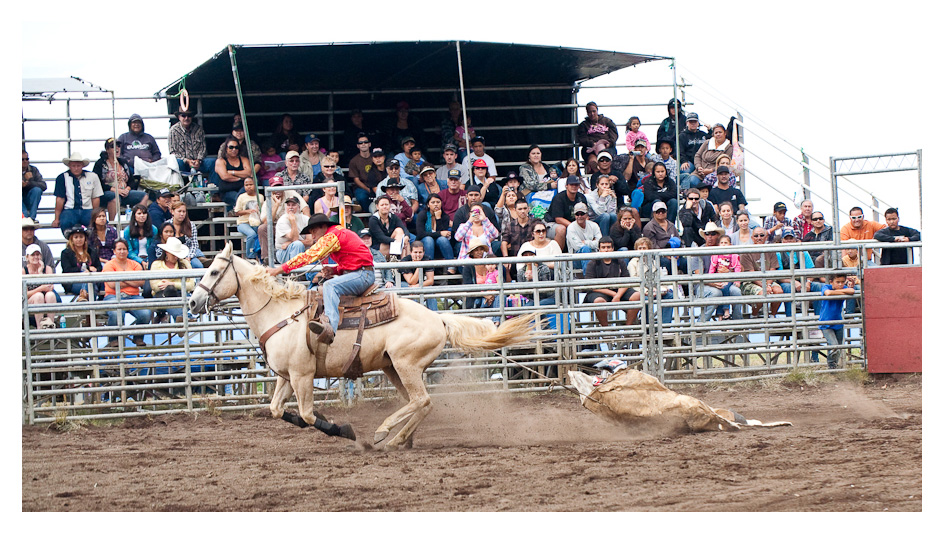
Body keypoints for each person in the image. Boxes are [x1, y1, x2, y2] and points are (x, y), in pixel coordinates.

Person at [268, 213, 376, 344]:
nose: (312, 236)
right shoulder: (339, 233)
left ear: (323, 227)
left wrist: (278, 270)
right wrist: (334, 270)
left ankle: (329, 327)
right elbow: (354, 259)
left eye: (314, 231)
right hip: (361, 273)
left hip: (362, 275)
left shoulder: (332, 236)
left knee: (329, 286)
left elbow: (307, 256)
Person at [690, 222, 743, 322]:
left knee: (736, 292)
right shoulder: (698, 252)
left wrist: (729, 271)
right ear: (704, 236)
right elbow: (698, 276)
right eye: (707, 234)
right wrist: (713, 283)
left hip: (725, 282)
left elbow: (741, 268)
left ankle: (737, 323)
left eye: (713, 234)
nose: (710, 237)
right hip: (704, 284)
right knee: (716, 293)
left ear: (718, 236)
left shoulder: (728, 250)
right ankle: (701, 324)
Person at [101, 239, 150, 347]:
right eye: (119, 249)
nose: (122, 251)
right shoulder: (109, 265)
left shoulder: (135, 264)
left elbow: (141, 282)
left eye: (124, 249)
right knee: (116, 313)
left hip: (134, 297)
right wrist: (131, 279)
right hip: (112, 296)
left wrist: (121, 278)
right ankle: (113, 340)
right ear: (114, 251)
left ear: (128, 251)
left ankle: (138, 338)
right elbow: (112, 284)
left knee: (146, 313)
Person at [583, 237, 635, 327]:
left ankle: (628, 328)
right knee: (598, 301)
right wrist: (614, 294)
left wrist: (618, 295)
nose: (606, 250)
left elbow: (627, 280)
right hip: (599, 292)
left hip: (618, 291)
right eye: (603, 247)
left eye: (608, 247)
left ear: (613, 248)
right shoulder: (592, 263)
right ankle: (607, 330)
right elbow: (591, 285)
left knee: (637, 296)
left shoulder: (620, 261)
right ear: (599, 249)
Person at [775, 228, 822, 317]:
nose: (789, 241)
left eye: (791, 238)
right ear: (782, 240)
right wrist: (794, 282)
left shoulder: (803, 251)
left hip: (803, 280)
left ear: (795, 240)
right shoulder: (778, 253)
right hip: (787, 282)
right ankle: (790, 318)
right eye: (786, 239)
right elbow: (779, 276)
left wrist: (808, 282)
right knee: (788, 288)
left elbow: (811, 270)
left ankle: (818, 318)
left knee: (818, 286)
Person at [94, 138, 146, 220]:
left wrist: (127, 189)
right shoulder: (100, 164)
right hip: (109, 193)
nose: (117, 148)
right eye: (113, 146)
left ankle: (139, 220)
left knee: (144, 196)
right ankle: (112, 224)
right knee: (114, 197)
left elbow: (131, 181)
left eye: (118, 146)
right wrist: (115, 190)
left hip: (125, 192)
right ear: (107, 149)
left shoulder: (123, 162)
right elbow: (97, 183)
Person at [52, 152, 103, 233]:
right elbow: (59, 199)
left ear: (82, 166)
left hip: (88, 210)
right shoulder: (62, 177)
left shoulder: (92, 176)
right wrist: (56, 218)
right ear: (69, 166)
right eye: (73, 166)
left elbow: (96, 198)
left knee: (97, 225)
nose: (76, 168)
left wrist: (95, 214)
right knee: (66, 223)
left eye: (78, 166)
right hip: (70, 210)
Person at [628, 237, 675, 324]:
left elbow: (661, 278)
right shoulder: (632, 263)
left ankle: (665, 326)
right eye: (640, 248)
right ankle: (648, 327)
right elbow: (634, 283)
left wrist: (662, 289)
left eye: (644, 248)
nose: (642, 250)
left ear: (649, 249)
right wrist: (646, 291)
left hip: (655, 290)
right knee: (646, 299)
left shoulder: (654, 262)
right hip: (641, 291)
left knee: (669, 296)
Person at [739, 228, 783, 317]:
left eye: (762, 235)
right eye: (756, 236)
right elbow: (751, 275)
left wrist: (768, 285)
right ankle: (755, 315)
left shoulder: (771, 250)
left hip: (769, 281)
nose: (759, 238)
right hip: (750, 282)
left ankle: (772, 316)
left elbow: (773, 270)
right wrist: (764, 286)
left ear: (766, 237)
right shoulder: (746, 252)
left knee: (779, 292)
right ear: (752, 238)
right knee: (762, 293)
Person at [150, 237, 195, 323]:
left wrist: (171, 283)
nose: (175, 257)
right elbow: (155, 286)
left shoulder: (185, 263)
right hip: (162, 295)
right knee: (170, 291)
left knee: (171, 290)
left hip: (182, 294)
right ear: (167, 252)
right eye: (173, 254)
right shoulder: (156, 264)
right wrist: (175, 284)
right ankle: (185, 317)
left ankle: (181, 318)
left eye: (177, 254)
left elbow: (191, 285)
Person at [818, 272, 856, 369]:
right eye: (837, 282)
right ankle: (831, 365)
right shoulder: (826, 287)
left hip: (838, 323)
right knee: (834, 346)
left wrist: (843, 290)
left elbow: (852, 291)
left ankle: (833, 366)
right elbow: (828, 293)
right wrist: (843, 291)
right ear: (831, 282)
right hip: (825, 323)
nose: (840, 284)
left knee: (838, 347)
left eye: (842, 282)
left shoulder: (843, 288)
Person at [168, 107, 214, 180]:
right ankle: (181, 189)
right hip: (183, 164)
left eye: (189, 116)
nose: (186, 118)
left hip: (199, 163)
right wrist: (187, 161)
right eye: (183, 115)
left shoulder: (198, 129)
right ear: (179, 117)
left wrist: (198, 160)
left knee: (213, 162)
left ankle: (213, 188)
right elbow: (173, 152)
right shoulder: (173, 131)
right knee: (177, 163)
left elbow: (203, 148)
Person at [546, 175, 588, 251]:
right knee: (562, 229)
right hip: (552, 223)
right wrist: (575, 227)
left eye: (576, 185)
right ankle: (557, 257)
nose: (574, 186)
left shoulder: (581, 197)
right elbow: (558, 219)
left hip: (574, 223)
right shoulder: (559, 198)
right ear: (566, 186)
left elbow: (586, 215)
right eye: (571, 184)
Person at [24, 243, 60, 329]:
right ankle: (40, 327)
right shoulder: (24, 271)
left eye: (37, 254)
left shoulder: (47, 268)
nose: (36, 257)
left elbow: (50, 287)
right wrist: (40, 288)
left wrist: (40, 272)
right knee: (38, 296)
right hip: (30, 300)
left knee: (50, 295)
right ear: (27, 257)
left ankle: (50, 325)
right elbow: (24, 294)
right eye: (33, 255)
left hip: (45, 297)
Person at [576, 102, 618, 173]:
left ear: (597, 110)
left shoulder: (607, 121)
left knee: (605, 158)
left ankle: (607, 174)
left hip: (607, 147)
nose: (592, 114)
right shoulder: (584, 125)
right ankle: (597, 174)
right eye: (589, 112)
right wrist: (592, 143)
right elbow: (582, 138)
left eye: (594, 111)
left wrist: (608, 143)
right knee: (593, 161)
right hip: (590, 148)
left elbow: (614, 134)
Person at [213, 135, 253, 212]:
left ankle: (236, 211)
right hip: (227, 190)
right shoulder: (221, 161)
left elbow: (248, 173)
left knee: (244, 195)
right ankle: (238, 212)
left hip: (242, 189)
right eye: (231, 147)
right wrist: (241, 178)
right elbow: (225, 176)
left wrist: (232, 172)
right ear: (226, 148)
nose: (234, 149)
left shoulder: (244, 159)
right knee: (238, 198)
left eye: (236, 147)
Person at [415, 193, 455, 266]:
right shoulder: (422, 215)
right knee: (428, 239)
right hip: (425, 241)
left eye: (438, 202)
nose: (436, 204)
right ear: (428, 205)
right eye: (433, 202)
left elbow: (444, 234)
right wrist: (439, 233)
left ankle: (451, 266)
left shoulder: (445, 217)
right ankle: (429, 268)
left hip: (439, 243)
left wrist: (438, 218)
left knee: (442, 239)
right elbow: (421, 234)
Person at [169, 200, 207, 268]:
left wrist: (189, 257)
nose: (182, 214)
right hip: (171, 254)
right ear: (172, 212)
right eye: (179, 211)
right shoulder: (167, 225)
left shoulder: (191, 225)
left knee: (198, 266)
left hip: (188, 253)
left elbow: (194, 244)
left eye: (184, 211)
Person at [401, 241, 437, 311]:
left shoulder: (427, 259)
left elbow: (430, 281)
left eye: (420, 252)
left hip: (416, 284)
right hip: (403, 283)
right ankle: (416, 316)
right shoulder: (405, 261)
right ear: (411, 252)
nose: (418, 255)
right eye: (415, 252)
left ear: (423, 252)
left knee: (430, 290)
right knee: (412, 291)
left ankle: (435, 315)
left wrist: (417, 286)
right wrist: (419, 266)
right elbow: (411, 282)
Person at [566, 203, 601, 271]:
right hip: (576, 259)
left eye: (582, 214)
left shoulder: (594, 225)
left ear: (587, 214)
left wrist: (585, 242)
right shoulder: (571, 227)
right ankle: (588, 277)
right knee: (585, 249)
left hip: (594, 257)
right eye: (577, 214)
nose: (579, 216)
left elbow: (600, 243)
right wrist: (592, 242)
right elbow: (577, 246)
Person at [234, 177, 263, 260]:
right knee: (251, 234)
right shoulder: (241, 197)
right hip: (243, 222)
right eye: (246, 185)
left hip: (256, 221)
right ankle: (250, 256)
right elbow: (237, 212)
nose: (249, 187)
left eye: (251, 184)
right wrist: (248, 211)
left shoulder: (260, 197)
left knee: (262, 233)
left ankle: (262, 256)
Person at [274, 196, 309, 264]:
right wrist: (293, 221)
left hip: (303, 249)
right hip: (283, 252)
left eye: (293, 205)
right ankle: (295, 272)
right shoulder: (282, 220)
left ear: (299, 207)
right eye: (288, 205)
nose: (290, 207)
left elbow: (310, 241)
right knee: (297, 244)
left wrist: (289, 243)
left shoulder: (306, 219)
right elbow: (295, 238)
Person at [678, 112, 709, 185]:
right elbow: (680, 151)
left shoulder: (703, 135)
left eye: (695, 121)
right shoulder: (682, 136)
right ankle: (685, 192)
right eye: (690, 121)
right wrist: (684, 161)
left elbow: (713, 141)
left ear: (698, 123)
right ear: (687, 123)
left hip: (703, 162)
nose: (693, 123)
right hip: (689, 162)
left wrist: (710, 130)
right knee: (685, 170)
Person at [22, 150, 46, 220]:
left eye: (27, 159)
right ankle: (24, 217)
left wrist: (29, 183)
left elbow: (43, 185)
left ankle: (32, 218)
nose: (25, 161)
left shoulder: (33, 170)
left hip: (29, 198)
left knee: (37, 190)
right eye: (22, 159)